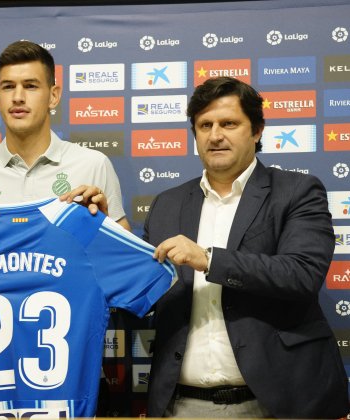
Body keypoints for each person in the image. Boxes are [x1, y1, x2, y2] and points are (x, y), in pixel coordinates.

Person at [144, 76, 349, 418]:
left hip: (279, 403)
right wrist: (100, 233)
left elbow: (301, 274)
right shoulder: (167, 203)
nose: (215, 135)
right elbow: (145, 288)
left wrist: (208, 259)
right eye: (204, 125)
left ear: (256, 131)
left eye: (229, 123)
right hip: (182, 405)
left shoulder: (297, 191)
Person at [0, 40, 131, 234]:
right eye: (8, 87)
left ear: (53, 97)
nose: (18, 97)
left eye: (30, 86)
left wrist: (106, 231)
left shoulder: (93, 165)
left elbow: (125, 260)